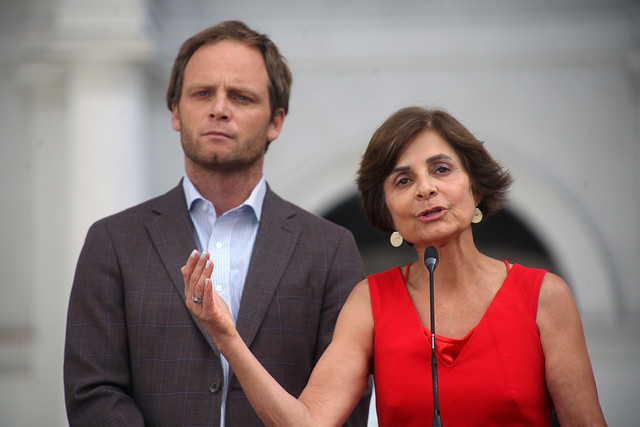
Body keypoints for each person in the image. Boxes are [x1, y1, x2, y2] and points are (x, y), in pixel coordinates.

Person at [182, 106, 608, 426]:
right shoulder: (370, 302)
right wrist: (227, 337)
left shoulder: (544, 296)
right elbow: (307, 423)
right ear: (387, 210)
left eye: (441, 169)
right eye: (403, 180)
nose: (425, 188)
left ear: (476, 188)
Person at [64, 20, 371, 426]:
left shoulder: (330, 249)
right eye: (202, 93)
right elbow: (93, 391)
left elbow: (346, 404)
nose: (219, 108)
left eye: (241, 97)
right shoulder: (113, 242)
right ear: (176, 111)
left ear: (275, 121)